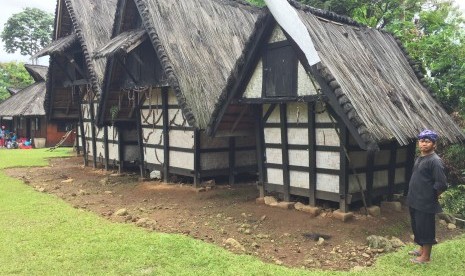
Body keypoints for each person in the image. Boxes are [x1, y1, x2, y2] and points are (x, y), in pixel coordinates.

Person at [407, 129, 448, 264]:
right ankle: (421, 249)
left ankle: (426, 257)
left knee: (426, 227)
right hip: (414, 200)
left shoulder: (435, 161)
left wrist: (430, 197)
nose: (423, 144)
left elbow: (441, 184)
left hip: (425, 202)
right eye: (421, 141)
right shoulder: (420, 157)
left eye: (427, 141)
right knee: (417, 226)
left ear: (434, 144)